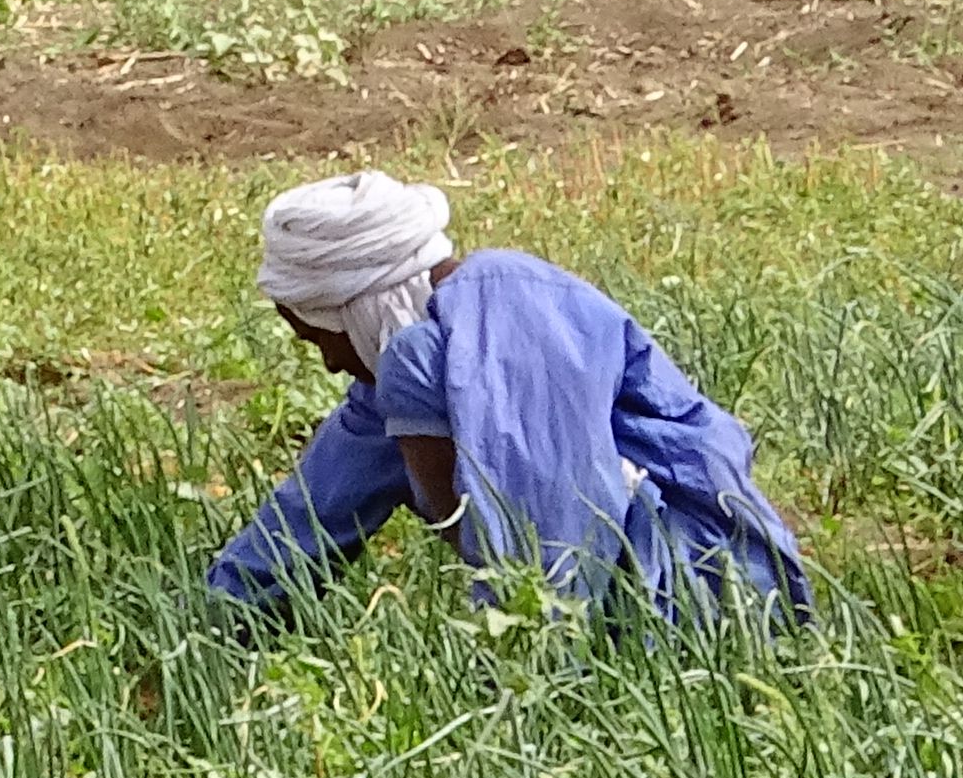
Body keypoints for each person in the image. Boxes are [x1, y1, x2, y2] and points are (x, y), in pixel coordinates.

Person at [213, 170, 810, 625]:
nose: (330, 362)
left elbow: (556, 540)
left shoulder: (505, 317)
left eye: (322, 337)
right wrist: (208, 624)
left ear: (359, 306)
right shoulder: (412, 368)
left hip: (706, 588)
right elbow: (309, 517)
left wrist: (527, 684)